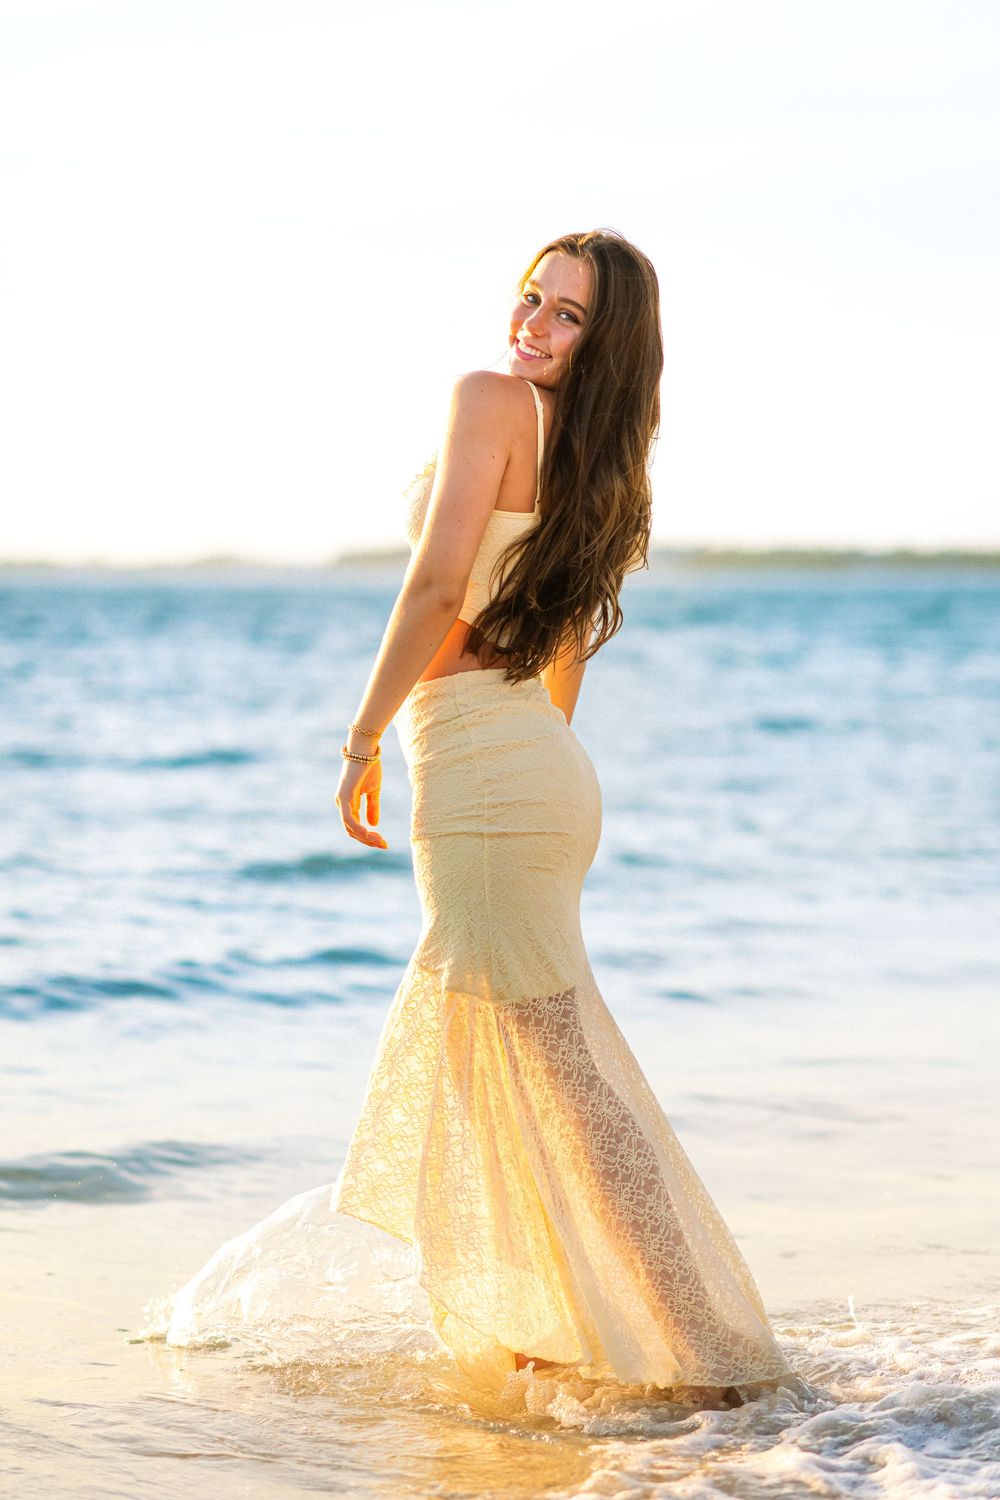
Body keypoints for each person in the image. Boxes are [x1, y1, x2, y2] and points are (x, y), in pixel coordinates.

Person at [327, 229, 797, 1406]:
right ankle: (557, 1331)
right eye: (530, 299)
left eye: (566, 315)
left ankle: (699, 1353)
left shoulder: (486, 401)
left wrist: (360, 736)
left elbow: (437, 584)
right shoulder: (602, 462)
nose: (530, 326)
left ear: (607, 340)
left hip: (488, 765)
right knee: (517, 1057)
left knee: (555, 1072)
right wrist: (538, 766)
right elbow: (565, 648)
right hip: (530, 762)